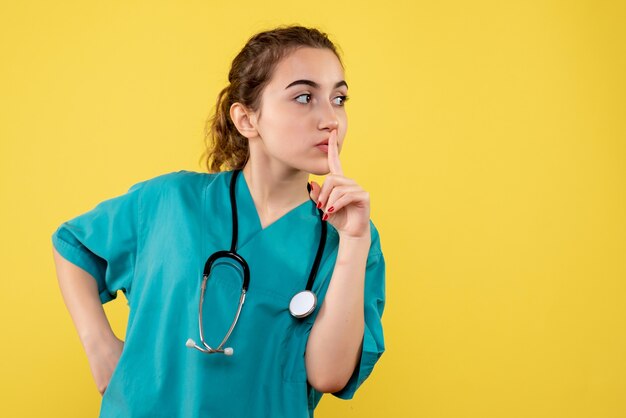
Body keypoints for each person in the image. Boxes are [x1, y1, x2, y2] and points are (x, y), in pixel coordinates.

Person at [51, 25, 385, 418]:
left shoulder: (348, 236)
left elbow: (328, 375)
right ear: (247, 119)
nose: (331, 120)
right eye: (305, 97)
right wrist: (99, 345)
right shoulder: (170, 201)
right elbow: (74, 245)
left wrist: (354, 241)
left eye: (339, 99)